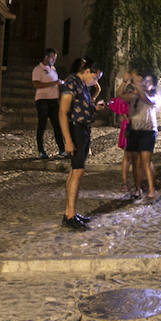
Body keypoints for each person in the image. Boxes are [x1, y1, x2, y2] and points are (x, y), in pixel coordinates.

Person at [58, 56, 106, 231]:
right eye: (95, 78)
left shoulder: (82, 85)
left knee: (75, 171)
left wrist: (94, 107)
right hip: (76, 130)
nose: (95, 82)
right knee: (77, 172)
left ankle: (70, 212)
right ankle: (69, 215)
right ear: (87, 71)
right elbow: (63, 112)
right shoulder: (71, 83)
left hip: (83, 129)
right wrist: (68, 141)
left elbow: (82, 104)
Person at [122, 70, 158, 202]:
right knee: (136, 163)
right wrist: (125, 81)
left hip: (148, 131)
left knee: (146, 161)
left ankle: (151, 190)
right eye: (144, 81)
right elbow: (120, 95)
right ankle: (138, 189)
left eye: (148, 82)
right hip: (134, 131)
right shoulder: (135, 95)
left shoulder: (155, 96)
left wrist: (136, 84)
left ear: (153, 86)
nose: (144, 83)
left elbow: (146, 99)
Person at [32, 48, 66, 159]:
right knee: (42, 124)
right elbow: (36, 84)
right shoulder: (38, 69)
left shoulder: (53, 69)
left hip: (53, 100)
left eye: (55, 58)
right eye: (52, 57)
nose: (54, 60)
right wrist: (53, 83)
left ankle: (62, 149)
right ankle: (41, 150)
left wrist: (59, 84)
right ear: (46, 57)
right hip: (42, 100)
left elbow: (54, 83)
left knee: (57, 125)